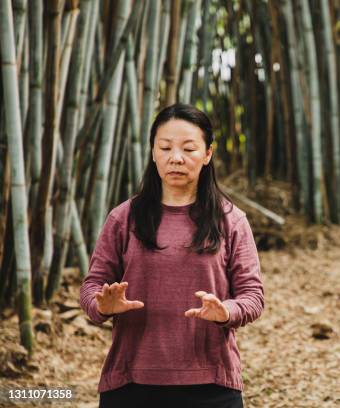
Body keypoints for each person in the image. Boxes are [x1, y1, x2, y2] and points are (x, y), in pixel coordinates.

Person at [79, 104, 264, 408]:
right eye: (165, 147)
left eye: (189, 148)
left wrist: (226, 311)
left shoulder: (231, 220)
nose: (175, 158)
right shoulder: (123, 218)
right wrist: (101, 305)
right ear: (153, 152)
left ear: (208, 154)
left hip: (211, 386)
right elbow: (91, 287)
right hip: (131, 384)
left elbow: (253, 295)